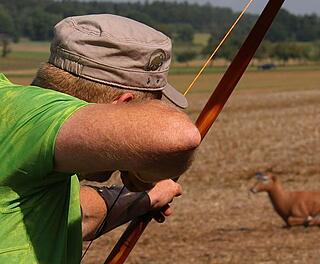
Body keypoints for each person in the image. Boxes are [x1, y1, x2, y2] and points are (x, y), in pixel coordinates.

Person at [0, 14, 201, 263]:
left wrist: (144, 198)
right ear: (123, 107)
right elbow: (180, 136)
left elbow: (78, 214)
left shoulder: (22, 134)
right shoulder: (30, 118)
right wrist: (144, 175)